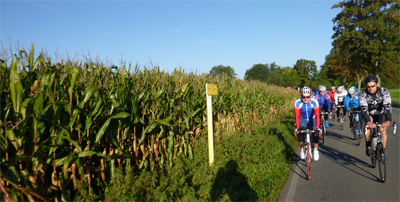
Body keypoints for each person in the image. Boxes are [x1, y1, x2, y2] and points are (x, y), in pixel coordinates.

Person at [359, 75, 392, 157]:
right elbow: (363, 109)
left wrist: (388, 120)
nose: (370, 88)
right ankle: (368, 145)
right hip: (369, 113)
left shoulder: (384, 91)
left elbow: (387, 106)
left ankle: (382, 152)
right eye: (368, 87)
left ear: (377, 84)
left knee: (383, 130)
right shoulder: (363, 93)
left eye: (373, 86)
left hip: (380, 113)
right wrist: (368, 122)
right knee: (368, 127)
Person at [294, 86, 322, 161]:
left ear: (311, 96)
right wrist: (297, 128)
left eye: (308, 97)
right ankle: (302, 150)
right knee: (300, 132)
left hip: (312, 119)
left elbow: (317, 116)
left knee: (316, 132)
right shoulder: (298, 102)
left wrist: (318, 127)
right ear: (301, 96)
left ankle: (315, 150)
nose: (306, 99)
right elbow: (296, 117)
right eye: (303, 97)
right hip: (303, 119)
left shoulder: (314, 102)